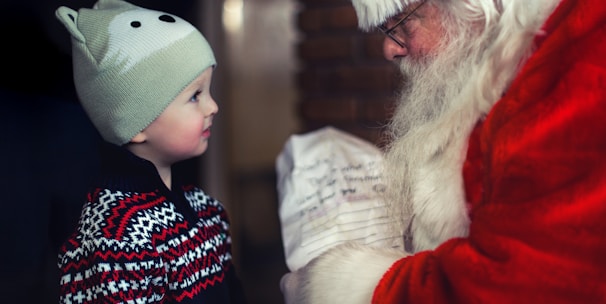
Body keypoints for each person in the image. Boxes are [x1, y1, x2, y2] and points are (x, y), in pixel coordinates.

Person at [280, 0, 606, 303]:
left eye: (402, 22)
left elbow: (520, 281)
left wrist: (352, 285)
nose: (390, 48)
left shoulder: (586, 50)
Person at [54, 0, 247, 303]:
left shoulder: (207, 210)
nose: (213, 107)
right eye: (195, 96)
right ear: (135, 124)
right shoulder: (115, 238)